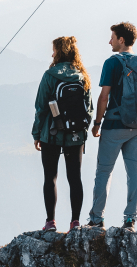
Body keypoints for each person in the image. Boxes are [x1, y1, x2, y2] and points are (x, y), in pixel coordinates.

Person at [88, 22, 137, 230]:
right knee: (134, 172)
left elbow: (104, 96)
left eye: (112, 37)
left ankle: (97, 219)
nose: (110, 41)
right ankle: (131, 218)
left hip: (115, 125)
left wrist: (97, 123)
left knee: (104, 172)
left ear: (121, 40)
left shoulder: (112, 63)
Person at [30, 35, 91, 231]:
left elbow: (40, 107)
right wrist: (82, 129)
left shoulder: (50, 75)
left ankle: (50, 222)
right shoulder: (82, 76)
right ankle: (75, 221)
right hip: (75, 135)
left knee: (50, 177)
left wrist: (37, 134)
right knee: (75, 178)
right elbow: (88, 108)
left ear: (59, 52)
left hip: (52, 133)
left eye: (54, 50)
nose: (52, 53)